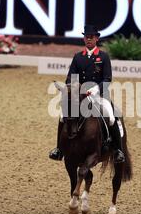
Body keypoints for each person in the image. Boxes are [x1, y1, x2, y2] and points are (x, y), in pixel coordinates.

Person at [49, 25, 126, 164]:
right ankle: (59, 149)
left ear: (97, 39)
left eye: (91, 37)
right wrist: (74, 88)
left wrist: (95, 90)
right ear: (84, 39)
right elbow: (70, 77)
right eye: (86, 37)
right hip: (80, 95)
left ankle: (117, 151)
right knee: (62, 116)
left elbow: (107, 79)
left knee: (111, 116)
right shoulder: (78, 57)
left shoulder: (103, 57)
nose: (89, 39)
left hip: (99, 95)